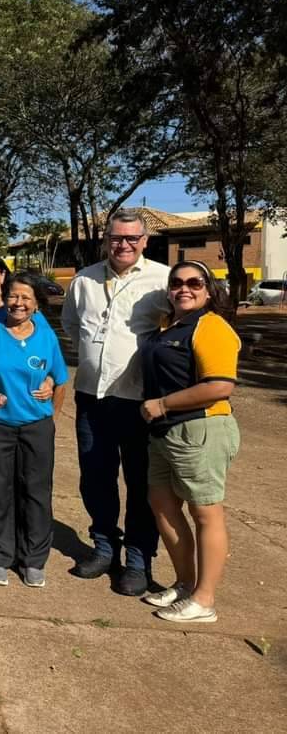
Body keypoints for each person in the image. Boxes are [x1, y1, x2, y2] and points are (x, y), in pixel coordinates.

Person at [61, 209, 171, 595]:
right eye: (116, 238)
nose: (123, 245)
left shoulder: (161, 279)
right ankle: (104, 548)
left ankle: (139, 561)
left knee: (140, 483)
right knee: (95, 478)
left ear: (144, 241)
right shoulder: (84, 280)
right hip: (92, 397)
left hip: (139, 402)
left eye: (131, 239)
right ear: (106, 239)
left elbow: (176, 331)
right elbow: (72, 326)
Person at [139, 261, 241, 623]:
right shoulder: (170, 326)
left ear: (208, 289)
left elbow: (220, 386)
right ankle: (184, 584)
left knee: (205, 512)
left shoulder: (211, 326)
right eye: (177, 282)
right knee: (163, 505)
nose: (185, 288)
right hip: (165, 432)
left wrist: (163, 404)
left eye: (194, 282)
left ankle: (204, 598)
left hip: (200, 429)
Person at [0, 272, 69, 588]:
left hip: (36, 426)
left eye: (26, 298)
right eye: (13, 296)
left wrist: (51, 419)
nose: (18, 303)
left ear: (36, 304)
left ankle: (33, 559)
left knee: (36, 491)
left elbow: (60, 378)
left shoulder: (46, 337)